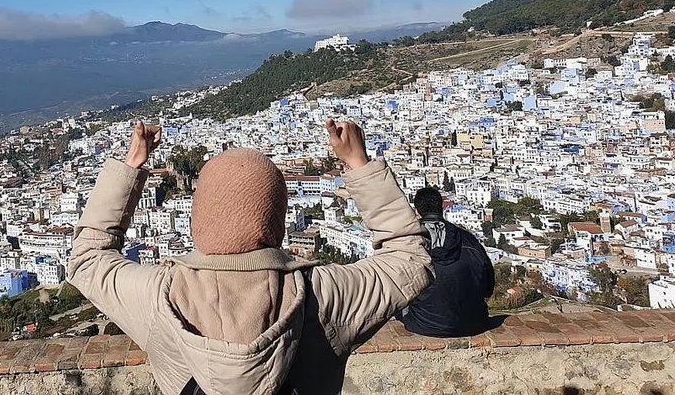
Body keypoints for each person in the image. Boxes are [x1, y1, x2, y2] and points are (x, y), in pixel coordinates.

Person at [68, 119, 432, 395]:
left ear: (198, 218)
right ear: (276, 219)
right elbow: (410, 260)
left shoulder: (158, 295)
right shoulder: (324, 294)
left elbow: (87, 257)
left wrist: (132, 164)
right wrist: (359, 164)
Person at [398, 186, 495, 338]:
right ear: (441, 208)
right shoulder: (469, 240)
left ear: (416, 210)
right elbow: (488, 288)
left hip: (423, 324)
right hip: (475, 323)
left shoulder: (408, 243)